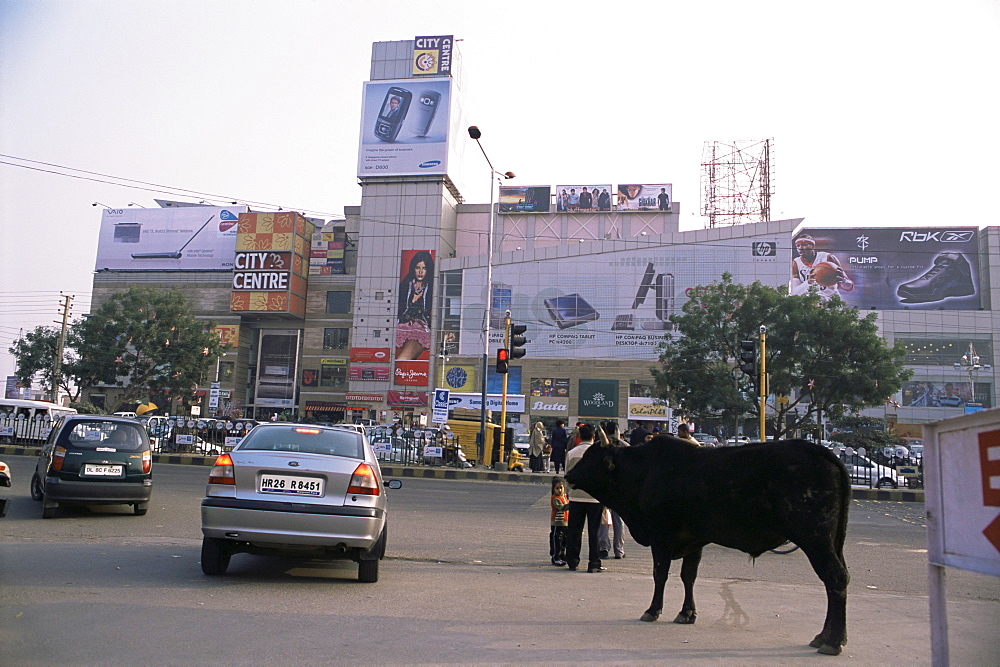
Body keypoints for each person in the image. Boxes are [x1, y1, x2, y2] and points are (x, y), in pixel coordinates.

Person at [565, 423, 605, 573]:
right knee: (594, 531)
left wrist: (569, 492)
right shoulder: (599, 453)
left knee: (574, 530)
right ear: (594, 436)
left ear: (579, 436)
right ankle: (594, 562)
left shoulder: (572, 453)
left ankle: (572, 561)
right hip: (594, 499)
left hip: (576, 497)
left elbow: (567, 476)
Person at [790, 234, 854, 303]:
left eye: (804, 245)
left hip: (830, 298)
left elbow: (849, 286)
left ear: (812, 246)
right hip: (810, 301)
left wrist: (844, 281)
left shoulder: (828, 257)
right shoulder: (796, 263)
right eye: (798, 246)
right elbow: (795, 293)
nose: (800, 248)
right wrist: (808, 283)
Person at [597, 421, 628, 559]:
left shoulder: (598, 446)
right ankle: (619, 550)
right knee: (619, 521)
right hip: (621, 490)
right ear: (617, 430)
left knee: (604, 519)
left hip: (604, 489)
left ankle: (603, 548)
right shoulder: (625, 446)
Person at [395, 251, 434, 360]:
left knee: (403, 359)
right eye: (418, 268)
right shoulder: (405, 286)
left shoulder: (431, 288)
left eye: (424, 268)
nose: (420, 272)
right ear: (413, 268)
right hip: (401, 325)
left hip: (420, 327)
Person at [549, 476, 570, 566]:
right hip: (557, 523)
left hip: (565, 522)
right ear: (553, 489)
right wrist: (571, 504)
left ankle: (562, 555)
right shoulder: (555, 499)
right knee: (557, 540)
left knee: (564, 540)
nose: (559, 490)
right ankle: (555, 557)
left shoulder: (565, 497)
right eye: (557, 488)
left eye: (561, 488)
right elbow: (561, 507)